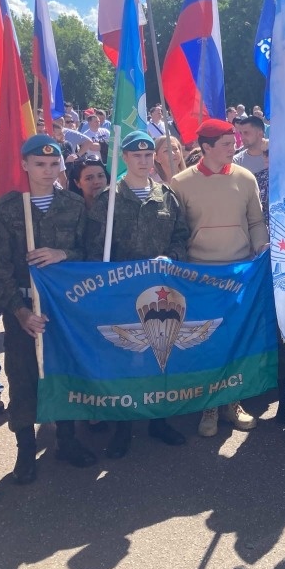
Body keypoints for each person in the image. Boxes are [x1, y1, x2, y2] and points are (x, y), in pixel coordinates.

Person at [0, 135, 94, 483]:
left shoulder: (74, 206)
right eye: (39, 164)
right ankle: (25, 450)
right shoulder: (6, 209)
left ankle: (66, 439)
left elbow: (89, 254)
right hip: (23, 307)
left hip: (64, 307)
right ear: (24, 165)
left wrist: (64, 255)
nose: (47, 171)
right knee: (23, 376)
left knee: (62, 371)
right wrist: (19, 312)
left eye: (53, 164)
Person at [85, 131, 190, 458]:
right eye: (136, 155)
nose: (144, 161)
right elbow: (93, 249)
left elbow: (181, 237)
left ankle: (159, 420)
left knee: (160, 354)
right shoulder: (109, 199)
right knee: (124, 359)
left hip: (159, 294)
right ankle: (123, 426)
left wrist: (170, 257)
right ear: (124, 159)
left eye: (148, 155)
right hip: (120, 294)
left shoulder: (167, 196)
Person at [169, 119, 267, 436]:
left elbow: (255, 221)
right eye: (226, 143)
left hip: (240, 273)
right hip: (200, 276)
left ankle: (232, 402)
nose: (233, 148)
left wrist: (261, 247)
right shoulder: (181, 183)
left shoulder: (245, 178)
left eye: (232, 141)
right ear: (206, 147)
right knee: (207, 343)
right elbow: (177, 231)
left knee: (236, 339)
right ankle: (209, 406)